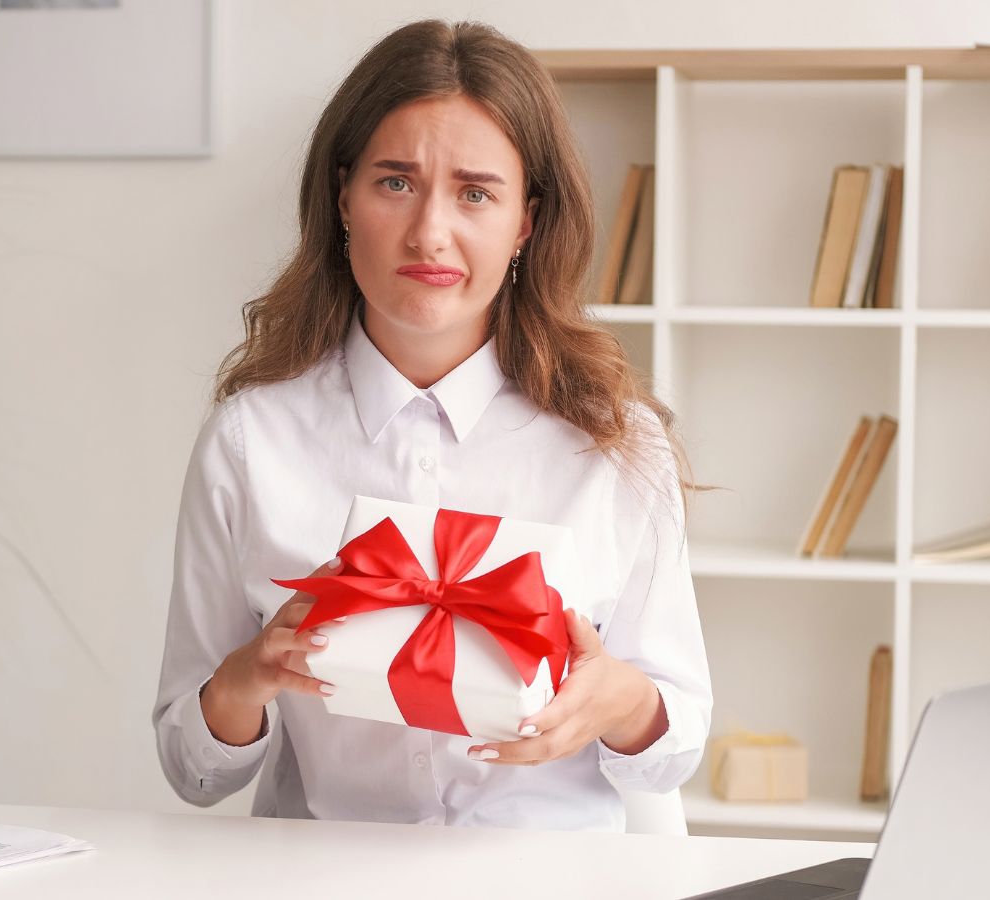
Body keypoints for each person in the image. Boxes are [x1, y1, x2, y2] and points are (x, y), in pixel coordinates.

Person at [152, 18, 712, 832]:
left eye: (476, 192)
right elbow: (191, 774)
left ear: (525, 221)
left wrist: (623, 704)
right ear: (343, 196)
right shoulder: (249, 443)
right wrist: (246, 678)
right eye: (395, 182)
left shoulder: (616, 445)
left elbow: (676, 752)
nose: (430, 233)